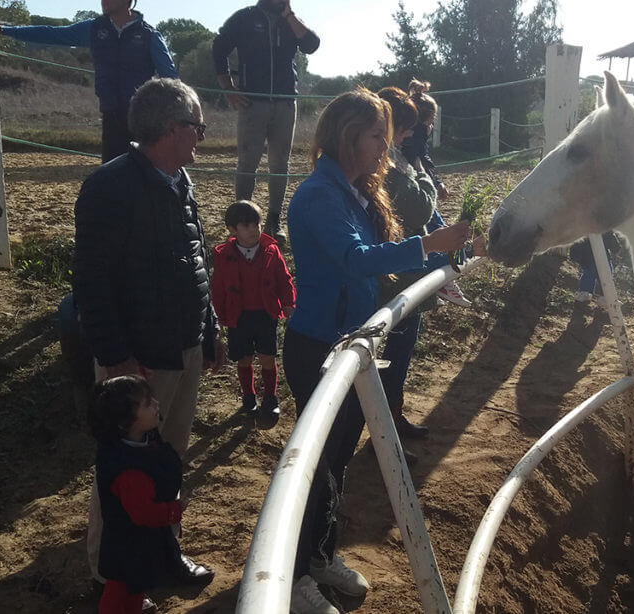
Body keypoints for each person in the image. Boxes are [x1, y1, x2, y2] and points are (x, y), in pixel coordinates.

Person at [282, 87, 482, 614]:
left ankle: (320, 555)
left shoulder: (353, 189)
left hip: (349, 340)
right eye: (376, 136)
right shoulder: (320, 195)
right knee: (319, 464)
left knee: (337, 461)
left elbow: (385, 246)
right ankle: (296, 576)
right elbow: (357, 257)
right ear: (348, 135)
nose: (384, 149)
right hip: (319, 344)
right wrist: (431, 247)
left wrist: (454, 246)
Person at [73, 77, 223, 595]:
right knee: (122, 472)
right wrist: (117, 359)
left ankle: (161, 554)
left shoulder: (180, 182)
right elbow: (90, 282)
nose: (201, 137)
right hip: (137, 361)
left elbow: (195, 258)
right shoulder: (109, 187)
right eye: (197, 127)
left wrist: (207, 332)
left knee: (166, 463)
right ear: (171, 128)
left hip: (179, 349)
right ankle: (108, 572)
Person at [0, 0, 177, 163]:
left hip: (142, 121)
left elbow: (171, 80)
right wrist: (2, 29)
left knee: (142, 176)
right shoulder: (95, 28)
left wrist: (175, 117)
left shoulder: (149, 35)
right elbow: (52, 34)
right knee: (112, 177)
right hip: (111, 117)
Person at [88, 375, 215, 614]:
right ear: (126, 421)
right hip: (128, 545)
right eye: (147, 403)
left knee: (136, 586)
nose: (157, 404)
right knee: (118, 591)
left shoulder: (141, 441)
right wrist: (174, 510)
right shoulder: (129, 470)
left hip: (139, 543)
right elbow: (142, 514)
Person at [377, 86, 452, 458]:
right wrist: (423, 175)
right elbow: (420, 208)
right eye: (404, 127)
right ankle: (384, 431)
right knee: (395, 348)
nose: (409, 135)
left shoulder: (391, 160)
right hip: (398, 271)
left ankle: (393, 415)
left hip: (406, 268)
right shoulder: (391, 166)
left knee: (402, 349)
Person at [212, 0, 320, 245]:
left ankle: (274, 219)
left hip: (284, 102)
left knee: (280, 163)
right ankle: (241, 219)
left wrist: (290, 15)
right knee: (247, 162)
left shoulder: (291, 21)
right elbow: (219, 47)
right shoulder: (244, 17)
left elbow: (312, 45)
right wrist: (227, 87)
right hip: (252, 103)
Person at [211, 200, 295, 428]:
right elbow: (217, 288)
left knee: (267, 357)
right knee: (244, 358)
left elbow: (284, 279)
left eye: (256, 224)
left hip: (266, 314)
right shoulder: (223, 255)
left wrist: (288, 302)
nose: (253, 230)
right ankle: (248, 397)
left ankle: (270, 396)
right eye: (246, 225)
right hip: (238, 317)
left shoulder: (271, 250)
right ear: (231, 229)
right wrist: (218, 316)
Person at [400, 79, 473, 308]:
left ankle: (444, 278)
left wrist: (438, 182)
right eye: (432, 120)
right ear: (425, 119)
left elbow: (423, 159)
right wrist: (434, 182)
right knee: (437, 232)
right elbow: (421, 161)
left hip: (417, 190)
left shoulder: (415, 134)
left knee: (433, 233)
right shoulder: (416, 135)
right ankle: (445, 278)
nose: (433, 125)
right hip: (416, 193)